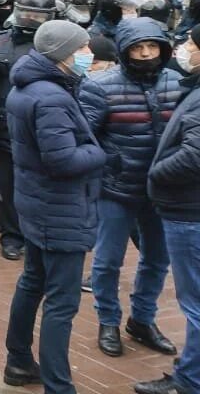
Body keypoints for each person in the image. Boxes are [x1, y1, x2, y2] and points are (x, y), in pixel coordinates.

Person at [3, 20, 107, 393]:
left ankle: (17, 360)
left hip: (37, 203)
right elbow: (62, 160)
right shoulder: (51, 97)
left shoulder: (31, 87)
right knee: (61, 303)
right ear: (62, 53)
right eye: (81, 49)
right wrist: (100, 152)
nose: (88, 54)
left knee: (32, 281)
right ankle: (58, 385)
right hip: (60, 209)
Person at [79, 18, 181, 358]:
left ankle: (143, 319)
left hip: (163, 188)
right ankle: (108, 320)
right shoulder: (99, 86)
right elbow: (86, 137)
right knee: (107, 261)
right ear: (125, 51)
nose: (147, 54)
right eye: (138, 48)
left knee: (157, 258)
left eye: (153, 47)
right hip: (116, 188)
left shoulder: (177, 82)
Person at [0, 0, 55, 260]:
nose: (32, 19)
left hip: (46, 125)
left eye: (38, 15)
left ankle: (38, 233)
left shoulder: (56, 43)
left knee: (43, 183)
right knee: (8, 182)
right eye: (27, 13)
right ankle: (12, 235)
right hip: (6, 124)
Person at [139, 24, 200, 394]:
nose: (184, 47)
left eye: (192, 43)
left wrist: (157, 175)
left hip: (188, 211)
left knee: (194, 302)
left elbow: (195, 155)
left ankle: (190, 380)